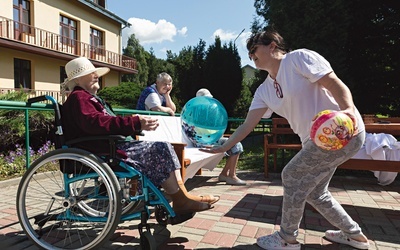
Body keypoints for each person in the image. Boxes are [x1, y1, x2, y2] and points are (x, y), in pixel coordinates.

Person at [200, 29, 370, 250]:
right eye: (249, 53)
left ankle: (287, 239)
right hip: (316, 142)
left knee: (291, 174)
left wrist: (347, 112)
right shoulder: (264, 91)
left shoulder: (298, 59)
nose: (251, 55)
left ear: (272, 46)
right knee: (316, 193)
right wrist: (223, 147)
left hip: (342, 130)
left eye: (254, 49)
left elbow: (335, 84)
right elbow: (247, 125)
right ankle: (354, 235)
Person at [61, 57, 219, 215]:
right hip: (103, 151)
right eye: (91, 73)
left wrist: (135, 126)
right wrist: (134, 123)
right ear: (78, 79)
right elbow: (96, 123)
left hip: (107, 147)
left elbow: (102, 123)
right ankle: (181, 199)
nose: (96, 75)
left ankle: (183, 197)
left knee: (164, 146)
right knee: (160, 148)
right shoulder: (79, 98)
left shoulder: (86, 98)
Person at [195, 88, 246, 185]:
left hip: (212, 139)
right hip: (202, 141)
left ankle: (226, 174)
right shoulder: (195, 112)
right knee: (236, 145)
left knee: (235, 143)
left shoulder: (210, 111)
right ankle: (230, 176)